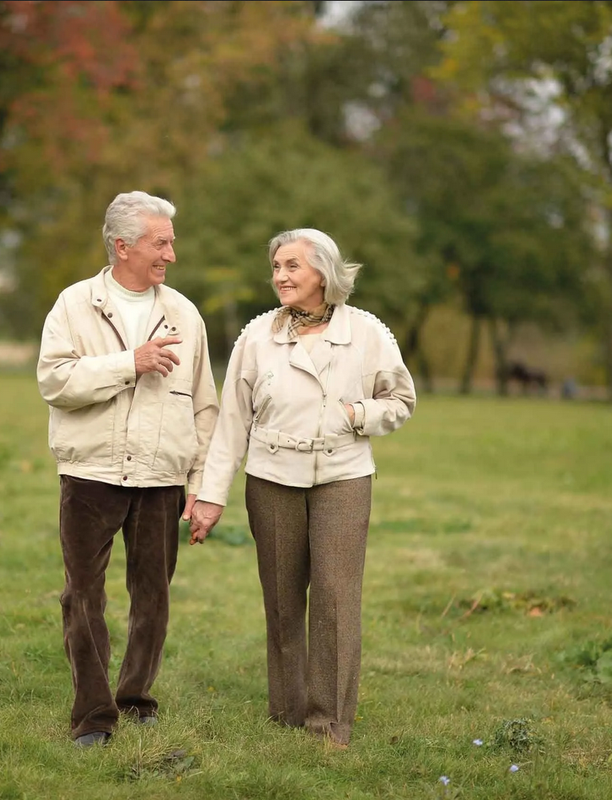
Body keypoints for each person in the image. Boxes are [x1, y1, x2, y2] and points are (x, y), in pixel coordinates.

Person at [188, 228, 416, 749]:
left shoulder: (367, 333)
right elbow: (232, 422)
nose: (280, 276)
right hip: (271, 478)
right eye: (276, 267)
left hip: (343, 477)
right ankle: (287, 712)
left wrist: (357, 413)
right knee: (282, 597)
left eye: (292, 266)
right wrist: (210, 495)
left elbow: (401, 400)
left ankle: (329, 722)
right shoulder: (257, 336)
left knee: (335, 598)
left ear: (323, 272)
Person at [37, 191, 219, 748]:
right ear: (122, 246)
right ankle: (94, 715)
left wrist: (200, 487)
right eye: (160, 243)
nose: (171, 254)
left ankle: (136, 699)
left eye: (171, 242)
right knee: (82, 596)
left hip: (162, 478)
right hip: (90, 474)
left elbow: (204, 407)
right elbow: (55, 382)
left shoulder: (185, 313)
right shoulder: (74, 305)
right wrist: (129, 363)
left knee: (153, 597)